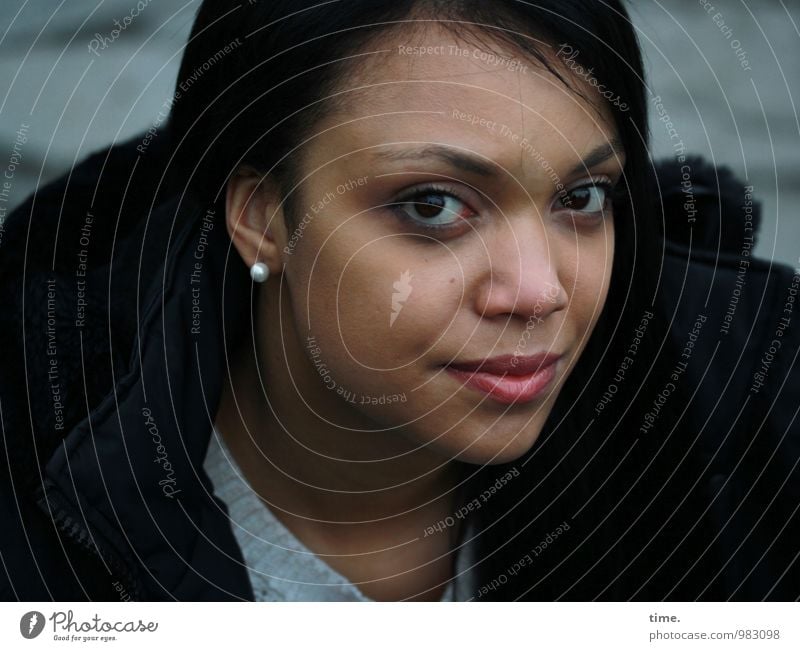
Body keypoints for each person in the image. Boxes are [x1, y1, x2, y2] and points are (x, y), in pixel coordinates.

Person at [1, 0, 797, 601]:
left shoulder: (756, 406)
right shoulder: (26, 477)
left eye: (582, 197)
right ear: (262, 217)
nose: (539, 291)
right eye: (432, 206)